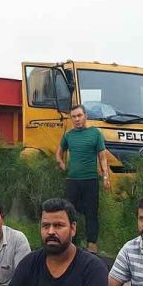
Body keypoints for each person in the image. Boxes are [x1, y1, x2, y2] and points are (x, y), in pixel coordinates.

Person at [55, 104, 109, 254]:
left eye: (79, 115)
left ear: (86, 115)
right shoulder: (69, 135)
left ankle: (92, 244)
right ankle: (70, 241)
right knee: (70, 211)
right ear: (71, 118)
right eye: (74, 117)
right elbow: (59, 152)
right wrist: (61, 162)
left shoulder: (95, 133)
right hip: (72, 180)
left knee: (91, 212)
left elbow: (102, 157)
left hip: (90, 180)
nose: (77, 119)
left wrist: (105, 177)